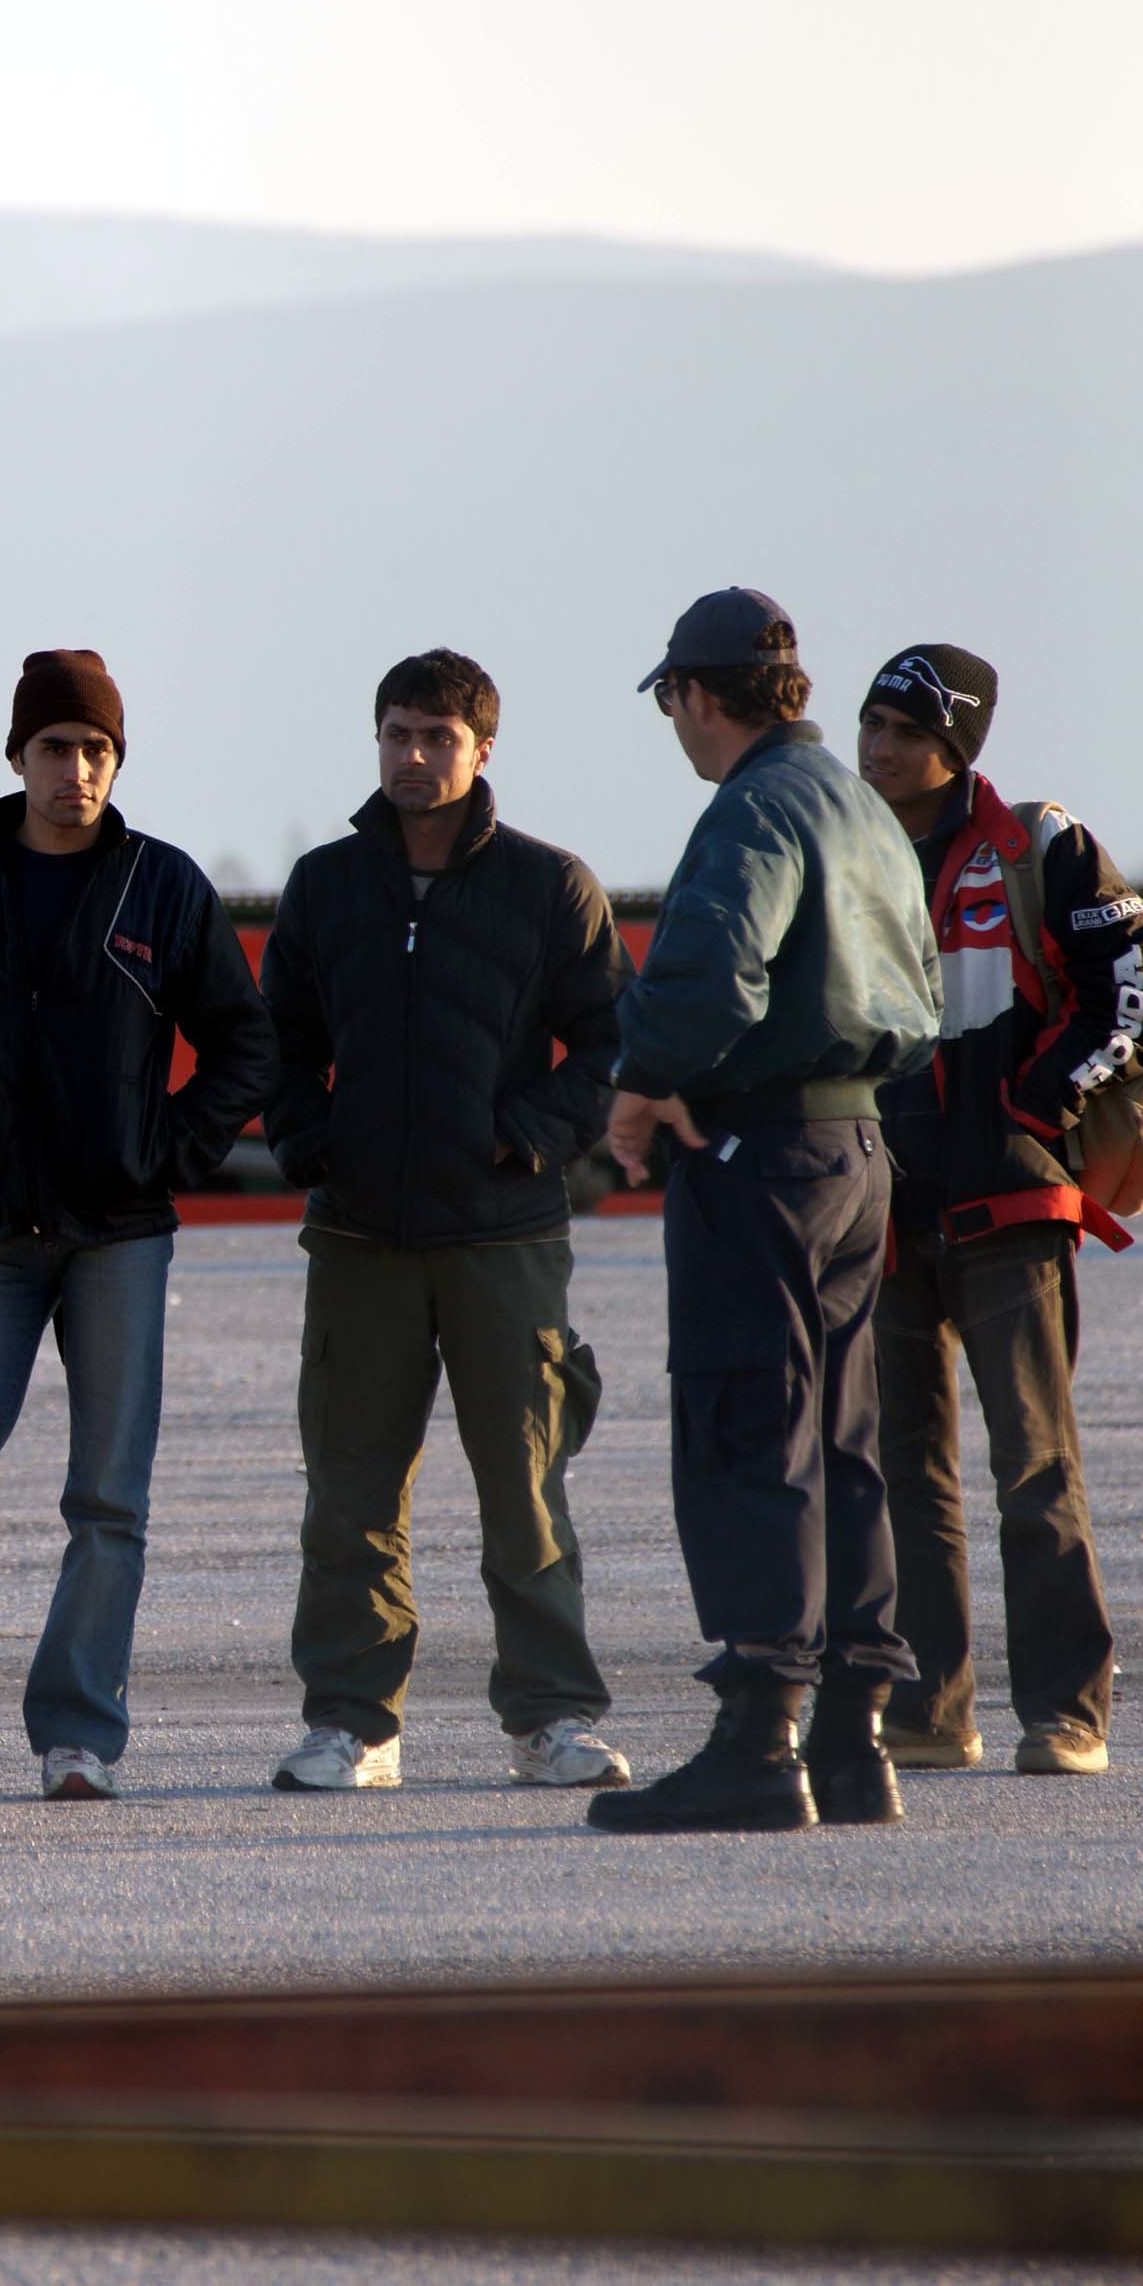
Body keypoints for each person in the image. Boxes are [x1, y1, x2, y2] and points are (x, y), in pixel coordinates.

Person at [587, 588, 940, 1836]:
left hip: (766, 1157)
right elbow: (921, 981)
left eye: (672, 700)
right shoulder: (859, 805)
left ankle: (758, 1739)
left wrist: (639, 1094)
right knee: (844, 1442)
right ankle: (854, 1742)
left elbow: (707, 971)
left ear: (696, 692)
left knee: (750, 1425)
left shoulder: (752, 811)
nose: (675, 723)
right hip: (858, 1144)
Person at [260, 649, 635, 1796]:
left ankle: (552, 1719)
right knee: (351, 1495)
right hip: (362, 1240)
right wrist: (311, 1144)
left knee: (526, 1493)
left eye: (437, 736)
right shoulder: (326, 887)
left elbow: (613, 1040)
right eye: (397, 734)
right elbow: (278, 1040)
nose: (414, 757)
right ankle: (354, 1723)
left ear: (482, 749)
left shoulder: (548, 885)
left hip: (504, 1237)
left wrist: (531, 1133)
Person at [0, 650, 279, 1800]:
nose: (78, 770)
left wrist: (159, 1150)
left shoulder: (162, 886)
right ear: (17, 756)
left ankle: (79, 1733)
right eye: (59, 748)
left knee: (109, 1499)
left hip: (121, 1234)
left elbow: (243, 1045)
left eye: (99, 751)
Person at [856, 645, 1143, 1778]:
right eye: (872, 723)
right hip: (877, 1213)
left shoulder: (1039, 845)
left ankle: (1067, 1714)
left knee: (1035, 1465)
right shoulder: (835, 844)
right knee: (903, 1470)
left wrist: (1031, 1105)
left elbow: (1125, 990)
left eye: (907, 729)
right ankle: (931, 1712)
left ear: (958, 744)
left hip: (1010, 1212)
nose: (880, 748)